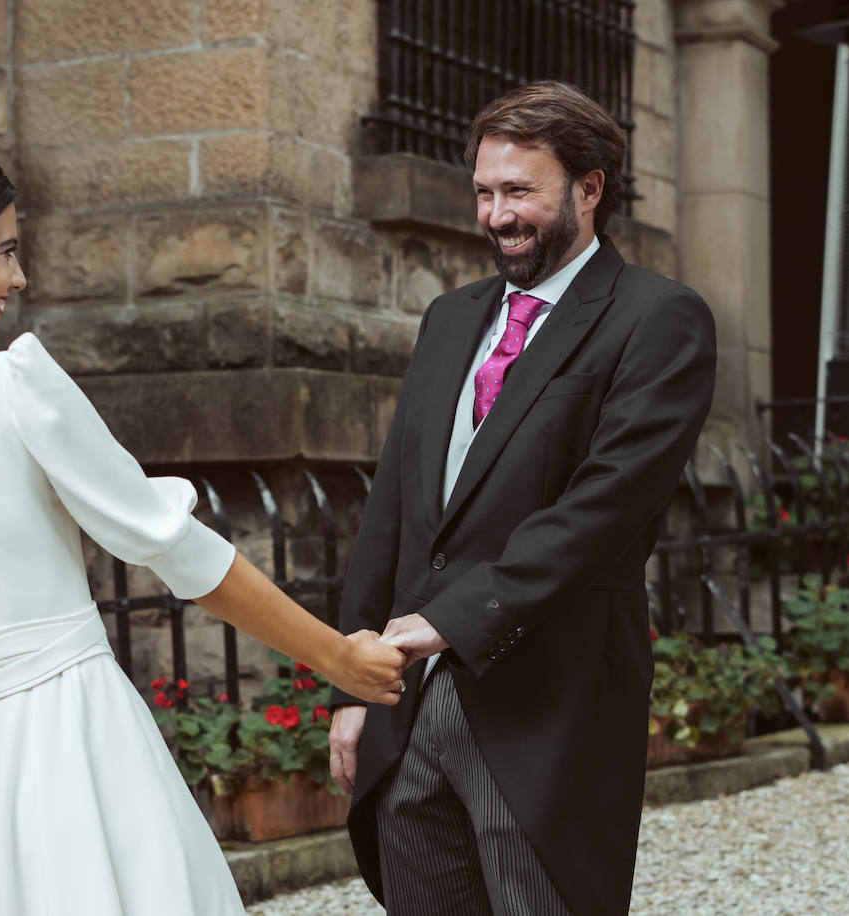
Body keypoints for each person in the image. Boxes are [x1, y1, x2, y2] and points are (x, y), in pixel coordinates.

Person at [0, 133, 406, 915]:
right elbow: (176, 548)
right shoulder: (14, 387)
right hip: (76, 755)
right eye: (6, 250)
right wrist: (339, 659)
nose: (18, 276)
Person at [326, 82, 717, 915]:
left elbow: (607, 507)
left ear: (588, 187)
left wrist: (455, 618)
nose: (497, 215)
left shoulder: (659, 319)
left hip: (549, 710)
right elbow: (391, 511)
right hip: (410, 708)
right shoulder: (449, 319)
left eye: (520, 191)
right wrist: (353, 686)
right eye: (484, 191)